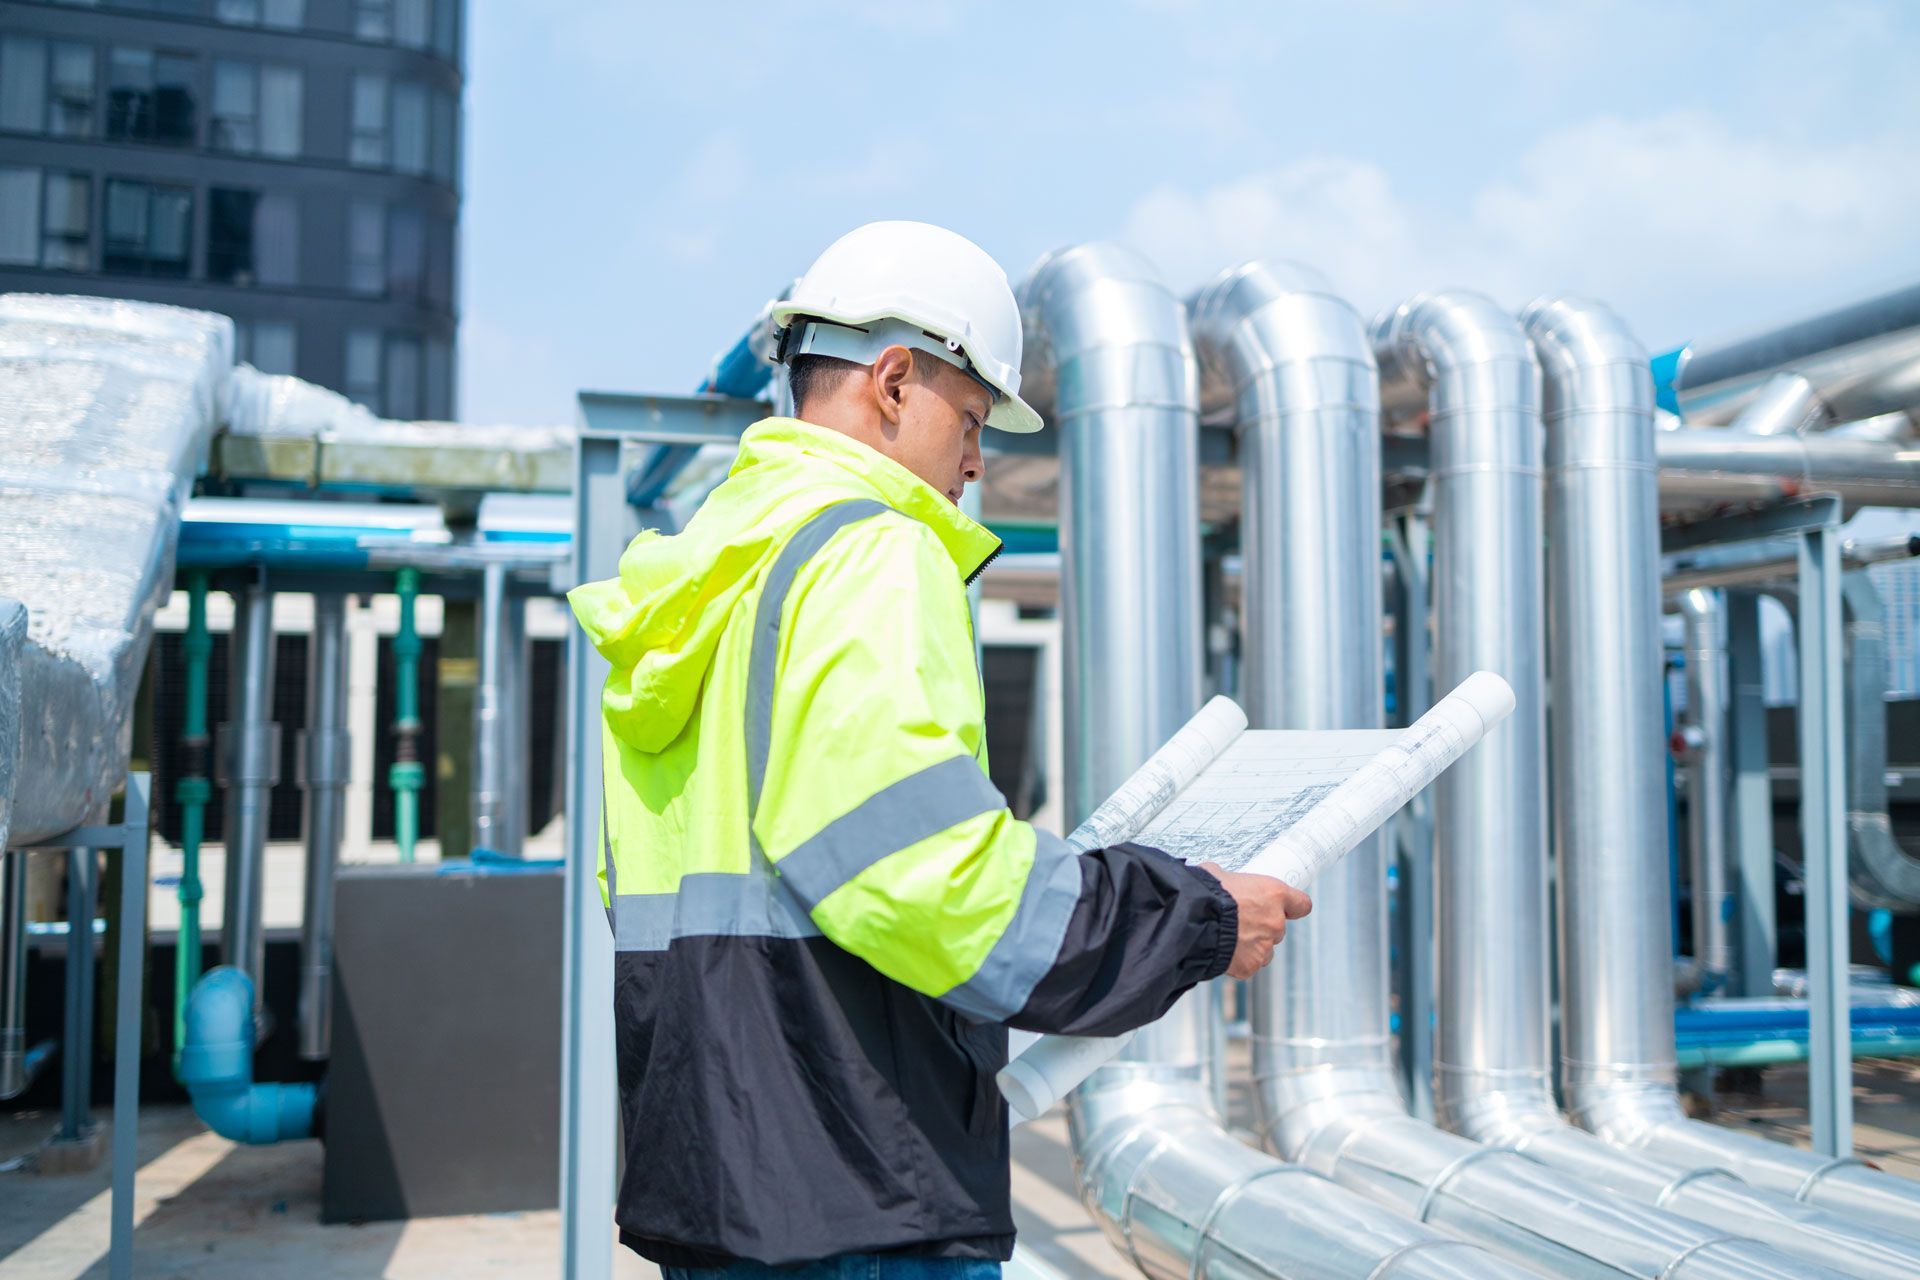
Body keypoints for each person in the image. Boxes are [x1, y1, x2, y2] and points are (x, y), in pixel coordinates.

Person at [567, 220, 1311, 1279]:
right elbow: (924, 875)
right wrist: (1193, 916)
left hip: (718, 1180)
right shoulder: (871, 550)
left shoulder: (706, 579)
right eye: (970, 419)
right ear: (894, 379)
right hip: (861, 1188)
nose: (974, 461)